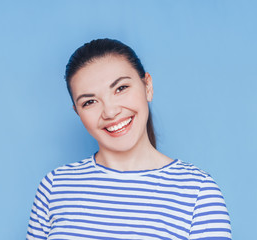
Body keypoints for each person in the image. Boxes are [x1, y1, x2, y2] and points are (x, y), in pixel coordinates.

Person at [26, 38, 231, 239]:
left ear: (147, 86)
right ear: (78, 112)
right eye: (90, 102)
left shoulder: (197, 191)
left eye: (121, 88)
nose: (110, 111)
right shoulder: (54, 186)